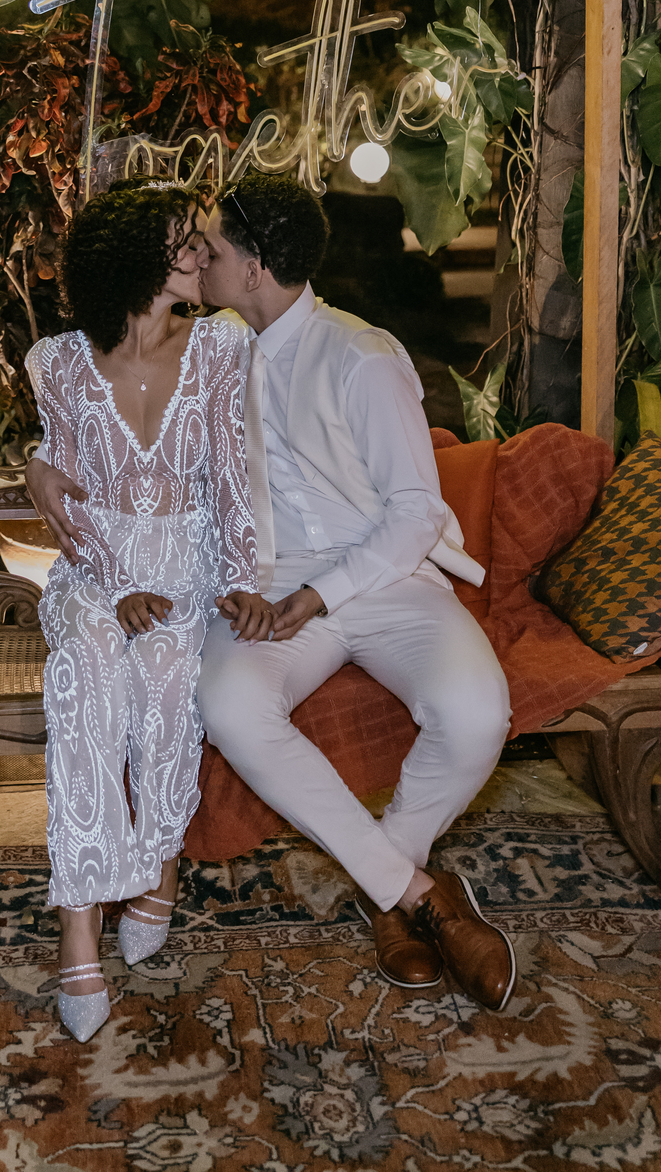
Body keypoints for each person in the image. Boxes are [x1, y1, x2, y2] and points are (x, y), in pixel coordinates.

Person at [26, 170, 518, 1014]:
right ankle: (419, 896)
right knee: (227, 702)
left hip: (381, 577)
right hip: (260, 584)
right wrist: (38, 464)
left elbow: (415, 514)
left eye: (211, 247)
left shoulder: (363, 356)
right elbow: (98, 399)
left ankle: (391, 887)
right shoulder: (211, 343)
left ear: (252, 269)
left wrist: (325, 594)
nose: (199, 256)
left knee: (479, 714)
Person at [25, 180, 267, 1042]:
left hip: (185, 570)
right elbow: (64, 493)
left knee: (167, 679)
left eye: (199, 241)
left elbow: (230, 476)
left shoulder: (221, 347)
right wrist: (112, 579)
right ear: (133, 261)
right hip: (92, 572)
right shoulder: (57, 363)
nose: (201, 254)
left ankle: (159, 865)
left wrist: (240, 578)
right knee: (85, 677)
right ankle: (79, 926)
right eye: (183, 243)